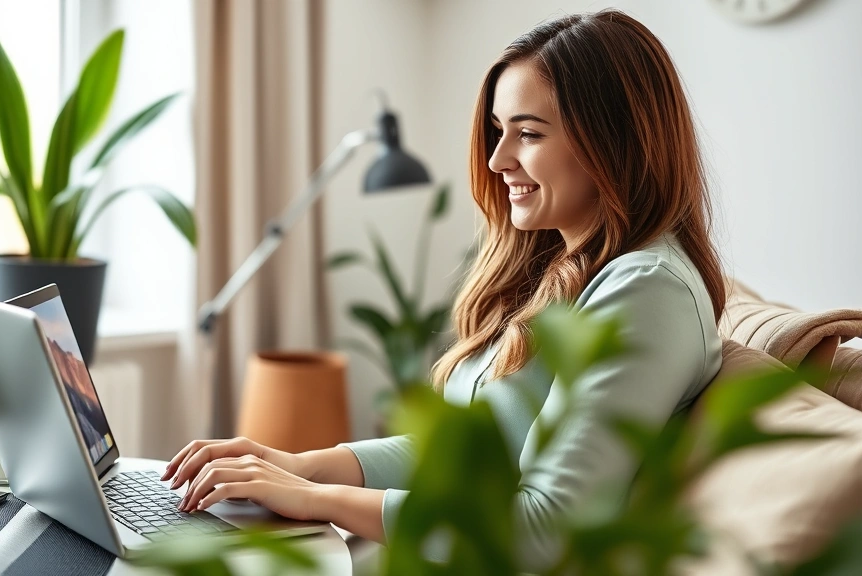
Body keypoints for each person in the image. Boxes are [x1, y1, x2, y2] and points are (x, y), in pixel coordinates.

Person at [162, 8, 724, 570]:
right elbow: (465, 457)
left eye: (528, 133)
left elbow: (542, 531)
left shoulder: (648, 291)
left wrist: (315, 499)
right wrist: (296, 465)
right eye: (498, 132)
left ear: (616, 140)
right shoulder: (563, 266)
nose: (498, 159)